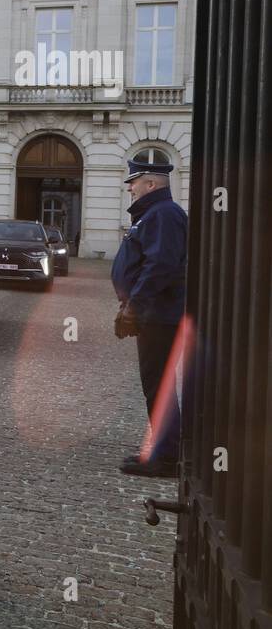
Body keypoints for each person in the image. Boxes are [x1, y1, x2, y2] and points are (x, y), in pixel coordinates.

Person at [112, 155, 187, 478]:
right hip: (156, 313)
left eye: (135, 182)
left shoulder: (163, 215)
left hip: (161, 315)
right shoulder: (156, 214)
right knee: (156, 384)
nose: (130, 188)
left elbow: (159, 267)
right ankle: (164, 450)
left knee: (159, 385)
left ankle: (166, 457)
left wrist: (134, 308)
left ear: (151, 184)